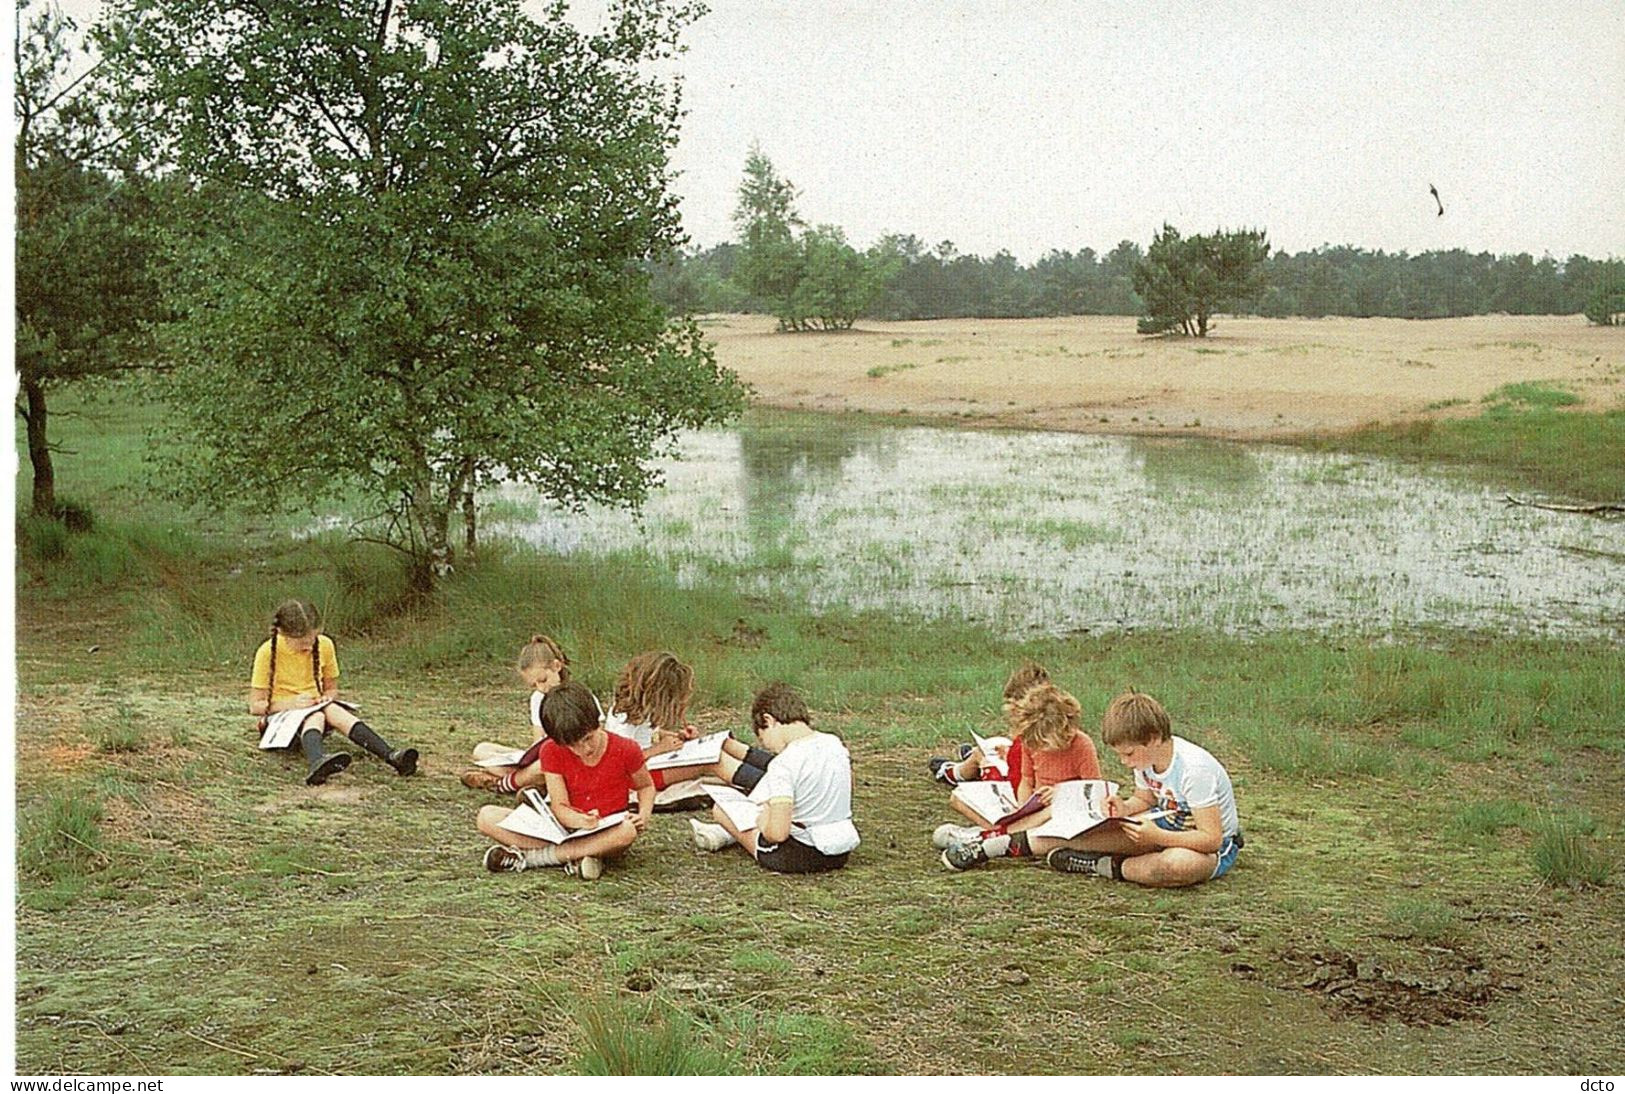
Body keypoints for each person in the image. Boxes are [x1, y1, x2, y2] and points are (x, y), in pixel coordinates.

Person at [1042, 690, 1243, 887]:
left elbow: (1211, 839)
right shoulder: (1146, 760)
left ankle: (1104, 865)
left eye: (1128, 754)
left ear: (1153, 738)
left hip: (1208, 845)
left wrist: (1159, 837)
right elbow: (1145, 799)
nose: (1124, 762)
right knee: (1095, 830)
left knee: (1176, 864)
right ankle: (1027, 843)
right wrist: (1125, 809)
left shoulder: (1195, 770)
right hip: (1164, 825)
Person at [476, 681, 654, 881]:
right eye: (573, 745)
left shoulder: (626, 748)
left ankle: (533, 859)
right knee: (486, 816)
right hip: (565, 829)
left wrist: (643, 816)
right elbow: (560, 806)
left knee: (626, 832)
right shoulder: (551, 751)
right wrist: (579, 820)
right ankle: (581, 856)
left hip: (606, 831)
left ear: (597, 722)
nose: (585, 749)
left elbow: (645, 786)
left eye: (588, 738)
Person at [689, 682, 859, 874]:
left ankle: (726, 834)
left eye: (763, 738)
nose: (768, 746)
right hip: (841, 852)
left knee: (722, 810)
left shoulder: (784, 763)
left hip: (799, 856)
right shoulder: (834, 743)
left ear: (768, 720)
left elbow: (777, 834)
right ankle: (727, 833)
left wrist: (763, 819)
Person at [247, 599, 418, 785]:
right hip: (280, 723)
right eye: (301, 643)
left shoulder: (325, 645)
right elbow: (255, 706)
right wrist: (291, 704)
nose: (308, 647)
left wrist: (327, 697)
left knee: (333, 710)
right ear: (282, 634)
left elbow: (332, 688)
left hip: (315, 712)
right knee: (317, 716)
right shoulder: (267, 652)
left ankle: (392, 755)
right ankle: (317, 761)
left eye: (312, 640)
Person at [939, 682, 1101, 869]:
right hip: (1034, 807)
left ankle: (986, 839)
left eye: (1047, 743)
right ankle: (998, 835)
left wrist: (1060, 794)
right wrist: (1022, 806)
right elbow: (1026, 780)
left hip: (1063, 810)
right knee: (958, 797)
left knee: (1050, 813)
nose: (1043, 748)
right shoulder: (1030, 742)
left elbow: (1094, 791)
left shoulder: (1082, 745)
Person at [603, 650, 762, 797]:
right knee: (714, 760)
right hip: (638, 775)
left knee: (724, 743)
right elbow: (619, 763)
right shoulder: (623, 718)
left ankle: (775, 766)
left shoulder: (642, 708)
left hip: (652, 762)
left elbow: (644, 736)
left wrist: (671, 736)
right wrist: (659, 749)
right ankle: (767, 785)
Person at [460, 635, 570, 794]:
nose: (541, 687)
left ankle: (502, 783)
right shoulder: (538, 698)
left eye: (543, 680)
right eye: (534, 685)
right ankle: (527, 782)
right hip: (543, 758)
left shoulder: (577, 696)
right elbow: (538, 741)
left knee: (542, 767)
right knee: (481, 749)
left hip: (564, 762)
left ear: (556, 666)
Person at [926, 661, 1046, 788]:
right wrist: (1009, 754)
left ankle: (954, 773)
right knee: (997, 742)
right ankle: (971, 760)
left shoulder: (1029, 731)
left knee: (981, 755)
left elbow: (1023, 776)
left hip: (1019, 787)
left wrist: (994, 762)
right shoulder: (1052, 721)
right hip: (1040, 782)